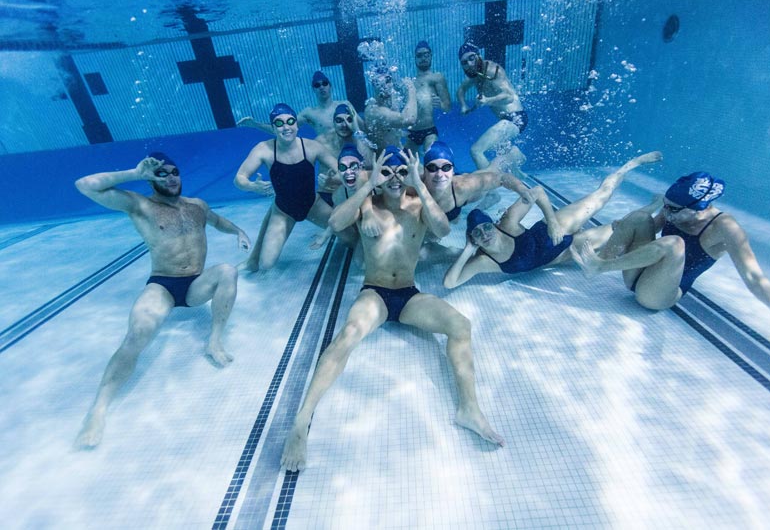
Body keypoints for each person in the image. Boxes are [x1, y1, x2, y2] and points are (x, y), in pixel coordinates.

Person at [281, 146, 504, 472]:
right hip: (375, 293)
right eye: (387, 172)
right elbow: (335, 219)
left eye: (401, 172)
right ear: (376, 176)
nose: (395, 179)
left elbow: (442, 229)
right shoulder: (365, 208)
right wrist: (368, 190)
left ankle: (469, 409)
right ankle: (301, 422)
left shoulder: (419, 204)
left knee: (460, 325)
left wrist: (419, 182)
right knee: (348, 335)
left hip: (410, 295)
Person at [73, 153, 251, 448]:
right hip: (163, 285)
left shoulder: (197, 206)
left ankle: (215, 339)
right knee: (136, 336)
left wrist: (238, 231)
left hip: (195, 284)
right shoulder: (141, 205)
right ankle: (98, 410)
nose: (170, 177)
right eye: (162, 173)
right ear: (152, 178)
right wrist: (134, 172)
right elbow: (86, 185)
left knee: (227, 271)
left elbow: (218, 221)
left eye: (174, 172)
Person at [570, 171, 770, 313]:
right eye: (665, 205)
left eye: (672, 209)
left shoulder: (726, 228)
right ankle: (599, 262)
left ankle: (600, 266)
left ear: (698, 209)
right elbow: (645, 228)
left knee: (674, 244)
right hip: (639, 276)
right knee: (639, 217)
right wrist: (622, 227)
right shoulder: (673, 210)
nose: (666, 212)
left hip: (658, 296)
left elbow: (752, 275)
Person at [444, 152, 662, 288]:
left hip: (554, 228)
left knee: (599, 197)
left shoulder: (508, 222)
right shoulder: (484, 261)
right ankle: (652, 208)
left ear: (493, 224)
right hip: (561, 253)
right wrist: (467, 250)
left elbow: (537, 191)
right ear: (472, 239)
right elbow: (450, 283)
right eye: (478, 234)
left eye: (486, 228)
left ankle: (631, 164)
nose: (485, 235)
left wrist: (553, 222)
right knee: (618, 229)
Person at [235, 103, 356, 271]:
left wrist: (331, 180)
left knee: (351, 239)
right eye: (279, 123)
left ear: (297, 125)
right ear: (273, 127)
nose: (286, 127)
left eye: (290, 121)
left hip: (313, 205)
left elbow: (342, 170)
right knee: (266, 265)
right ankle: (256, 254)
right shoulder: (264, 150)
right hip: (284, 211)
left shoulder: (312, 147)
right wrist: (251, 186)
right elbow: (239, 178)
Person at [422, 141, 538, 223]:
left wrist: (521, 189)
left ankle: (512, 154)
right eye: (432, 168)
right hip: (451, 197)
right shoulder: (416, 184)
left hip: (460, 190)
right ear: (424, 170)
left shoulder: (464, 185)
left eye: (446, 167)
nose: (438, 173)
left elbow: (501, 178)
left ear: (452, 170)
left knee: (492, 170)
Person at [456, 43, 526, 170]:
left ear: (479, 55)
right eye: (464, 62)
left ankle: (491, 189)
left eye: (472, 58)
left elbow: (509, 97)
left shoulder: (493, 70)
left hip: (515, 118)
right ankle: (516, 158)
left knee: (476, 151)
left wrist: (488, 100)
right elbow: (461, 90)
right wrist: (463, 105)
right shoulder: (475, 73)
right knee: (504, 158)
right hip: (504, 120)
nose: (469, 64)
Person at [237, 71, 363, 136]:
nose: (321, 87)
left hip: (350, 156)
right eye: (317, 85)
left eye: (324, 83)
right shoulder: (309, 113)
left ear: (330, 86)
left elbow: (362, 128)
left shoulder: (345, 105)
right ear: (313, 89)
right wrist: (255, 124)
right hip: (328, 159)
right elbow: (284, 129)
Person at [315, 103, 374, 207]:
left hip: (355, 191)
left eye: (349, 120)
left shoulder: (360, 139)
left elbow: (369, 163)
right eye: (339, 120)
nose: (344, 125)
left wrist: (356, 129)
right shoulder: (322, 142)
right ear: (333, 123)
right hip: (328, 193)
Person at [406, 40, 451, 155]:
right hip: (411, 132)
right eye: (419, 55)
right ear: (415, 58)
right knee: (404, 164)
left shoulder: (436, 77)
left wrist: (440, 104)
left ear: (431, 56)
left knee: (431, 157)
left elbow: (447, 107)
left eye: (426, 54)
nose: (423, 58)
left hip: (429, 131)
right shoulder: (411, 82)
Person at [364, 67, 418, 151]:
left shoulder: (394, 98)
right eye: (379, 82)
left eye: (388, 80)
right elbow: (409, 119)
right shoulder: (374, 111)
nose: (385, 86)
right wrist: (412, 90)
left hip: (397, 150)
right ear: (374, 84)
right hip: (384, 159)